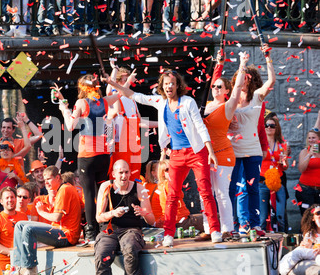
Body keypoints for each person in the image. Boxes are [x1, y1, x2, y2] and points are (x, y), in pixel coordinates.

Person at [107, 69, 222, 247]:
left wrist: (211, 151)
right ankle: (169, 233)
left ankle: (214, 230)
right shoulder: (160, 102)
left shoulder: (188, 102)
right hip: (176, 153)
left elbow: (200, 126)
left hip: (196, 151)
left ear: (177, 86)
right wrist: (114, 84)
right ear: (162, 86)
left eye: (172, 83)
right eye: (166, 83)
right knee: (172, 195)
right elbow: (134, 95)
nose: (169, 86)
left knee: (205, 191)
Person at [54, 74, 122, 241]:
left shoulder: (81, 103)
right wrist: (114, 81)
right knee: (102, 192)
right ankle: (105, 228)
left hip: (88, 155)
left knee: (89, 192)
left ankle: (91, 234)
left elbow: (70, 126)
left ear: (81, 88)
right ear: (96, 86)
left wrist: (63, 108)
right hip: (104, 156)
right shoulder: (105, 101)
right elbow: (121, 93)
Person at [198, 51, 249, 240]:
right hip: (204, 154)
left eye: (220, 87)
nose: (216, 89)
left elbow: (237, 90)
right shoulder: (206, 105)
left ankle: (227, 228)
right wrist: (218, 62)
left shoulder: (227, 107)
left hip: (222, 154)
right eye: (214, 87)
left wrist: (242, 63)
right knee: (205, 193)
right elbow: (212, 79)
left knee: (220, 193)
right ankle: (208, 227)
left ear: (226, 90)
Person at [228, 44, 276, 237]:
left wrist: (268, 57)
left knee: (253, 188)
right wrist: (242, 64)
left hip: (253, 151)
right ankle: (240, 224)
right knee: (238, 189)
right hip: (234, 150)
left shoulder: (257, 97)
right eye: (242, 77)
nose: (245, 79)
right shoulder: (231, 99)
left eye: (248, 76)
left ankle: (255, 225)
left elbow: (271, 80)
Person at [10, 166, 82, 275]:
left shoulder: (65, 189)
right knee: (20, 225)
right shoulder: (61, 189)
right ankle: (19, 267)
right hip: (58, 230)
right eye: (45, 179)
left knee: (29, 229)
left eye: (49, 179)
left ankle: (31, 268)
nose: (46, 182)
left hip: (67, 235)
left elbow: (56, 217)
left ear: (58, 177)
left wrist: (41, 212)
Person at [94, 159, 155, 275]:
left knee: (130, 250)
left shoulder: (139, 187)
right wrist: (113, 213)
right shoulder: (106, 187)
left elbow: (152, 220)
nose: (124, 176)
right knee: (101, 255)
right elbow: (99, 218)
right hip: (109, 230)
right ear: (114, 174)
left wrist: (144, 212)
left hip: (131, 229)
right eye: (121, 172)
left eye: (126, 172)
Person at [106, 65, 158, 182]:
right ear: (117, 82)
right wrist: (116, 71)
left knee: (134, 178)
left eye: (128, 80)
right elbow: (109, 90)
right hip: (121, 146)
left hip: (135, 145)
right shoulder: (114, 98)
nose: (129, 83)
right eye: (125, 80)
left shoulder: (132, 100)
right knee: (120, 178)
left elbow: (140, 122)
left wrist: (161, 123)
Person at [0, 113, 42, 190]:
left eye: (8, 128)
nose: (5, 130)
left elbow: (39, 135)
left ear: (13, 130)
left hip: (16, 185)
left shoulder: (19, 142)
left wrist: (26, 121)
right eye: (3, 127)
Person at [0, 186, 28, 275]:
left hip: (22, 264)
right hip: (4, 267)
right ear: (1, 201)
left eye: (12, 197)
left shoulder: (23, 216)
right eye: (7, 198)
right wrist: (13, 253)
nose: (10, 200)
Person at [259, 115, 289, 232]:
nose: (269, 128)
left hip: (277, 182)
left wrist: (285, 162)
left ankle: (283, 241)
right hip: (262, 182)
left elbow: (284, 168)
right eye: (266, 125)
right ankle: (263, 241)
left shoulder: (282, 145)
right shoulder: (260, 144)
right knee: (262, 218)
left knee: (280, 215)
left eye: (272, 126)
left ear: (276, 128)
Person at [0, 140, 29, 213]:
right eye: (3, 150)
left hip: (14, 201)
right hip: (0, 201)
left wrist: (16, 177)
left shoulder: (19, 167)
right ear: (0, 154)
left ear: (12, 153)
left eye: (8, 150)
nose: (5, 152)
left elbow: (25, 186)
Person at [279, 204, 320, 275]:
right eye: (318, 213)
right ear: (312, 218)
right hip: (315, 253)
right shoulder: (310, 233)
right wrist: (304, 245)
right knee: (297, 251)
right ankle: (281, 273)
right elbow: (306, 247)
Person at [295, 127, 320, 215]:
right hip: (306, 190)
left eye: (313, 138)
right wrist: (309, 155)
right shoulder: (304, 152)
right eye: (309, 138)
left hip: (319, 191)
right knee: (307, 216)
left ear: (319, 139)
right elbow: (301, 169)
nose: (311, 140)